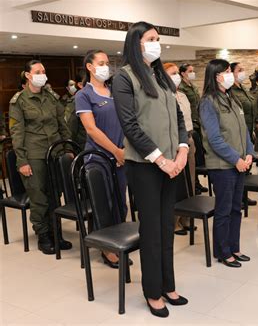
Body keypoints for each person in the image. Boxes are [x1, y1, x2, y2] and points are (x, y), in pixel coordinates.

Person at [113, 21, 188, 318]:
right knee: (152, 230)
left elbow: (179, 119)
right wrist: (161, 159)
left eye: (158, 39)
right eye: (151, 38)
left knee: (167, 227)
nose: (157, 43)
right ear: (136, 43)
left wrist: (182, 150)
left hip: (171, 164)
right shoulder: (125, 77)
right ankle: (153, 291)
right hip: (145, 166)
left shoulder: (162, 78)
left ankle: (169, 285)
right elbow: (130, 126)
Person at [9, 60, 72, 254]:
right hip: (34, 154)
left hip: (54, 153)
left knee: (55, 195)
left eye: (44, 71)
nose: (42, 74)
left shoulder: (51, 97)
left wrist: (67, 147)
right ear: (28, 75)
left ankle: (56, 233)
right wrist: (22, 161)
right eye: (38, 71)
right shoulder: (19, 101)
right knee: (39, 197)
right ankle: (43, 235)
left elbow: (62, 124)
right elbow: (17, 133)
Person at [75, 49, 129, 268]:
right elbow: (91, 129)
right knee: (104, 204)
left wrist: (123, 150)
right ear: (89, 66)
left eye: (107, 62)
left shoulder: (115, 90)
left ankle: (118, 242)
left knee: (120, 202)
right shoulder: (84, 95)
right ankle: (106, 249)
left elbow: (126, 121)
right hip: (99, 159)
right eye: (101, 62)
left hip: (121, 156)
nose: (106, 66)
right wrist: (115, 151)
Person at [200, 59, 254, 268]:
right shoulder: (208, 102)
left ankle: (234, 246)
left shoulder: (232, 98)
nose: (230, 74)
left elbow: (244, 130)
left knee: (235, 208)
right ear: (216, 76)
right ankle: (223, 251)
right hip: (223, 166)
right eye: (227, 71)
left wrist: (248, 153)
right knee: (223, 210)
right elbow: (214, 139)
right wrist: (236, 159)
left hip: (240, 162)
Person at [163, 62, 197, 236]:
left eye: (177, 73)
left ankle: (186, 218)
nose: (177, 76)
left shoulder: (182, 95)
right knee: (176, 185)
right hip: (174, 145)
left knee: (189, 182)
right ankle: (174, 221)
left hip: (188, 140)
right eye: (172, 73)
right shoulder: (163, 96)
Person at [179, 63, 208, 194]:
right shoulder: (182, 88)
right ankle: (193, 184)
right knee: (191, 155)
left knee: (196, 155)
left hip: (197, 122)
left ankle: (196, 182)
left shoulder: (193, 86)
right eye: (190, 71)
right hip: (189, 125)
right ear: (183, 73)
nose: (192, 73)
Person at [230, 62, 257, 136]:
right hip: (239, 133)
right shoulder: (230, 91)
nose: (243, 72)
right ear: (232, 74)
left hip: (249, 130)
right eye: (240, 70)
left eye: (243, 70)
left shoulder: (244, 89)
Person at [65, 72, 87, 150]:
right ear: (80, 85)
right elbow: (70, 127)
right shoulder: (76, 101)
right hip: (83, 145)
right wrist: (69, 148)